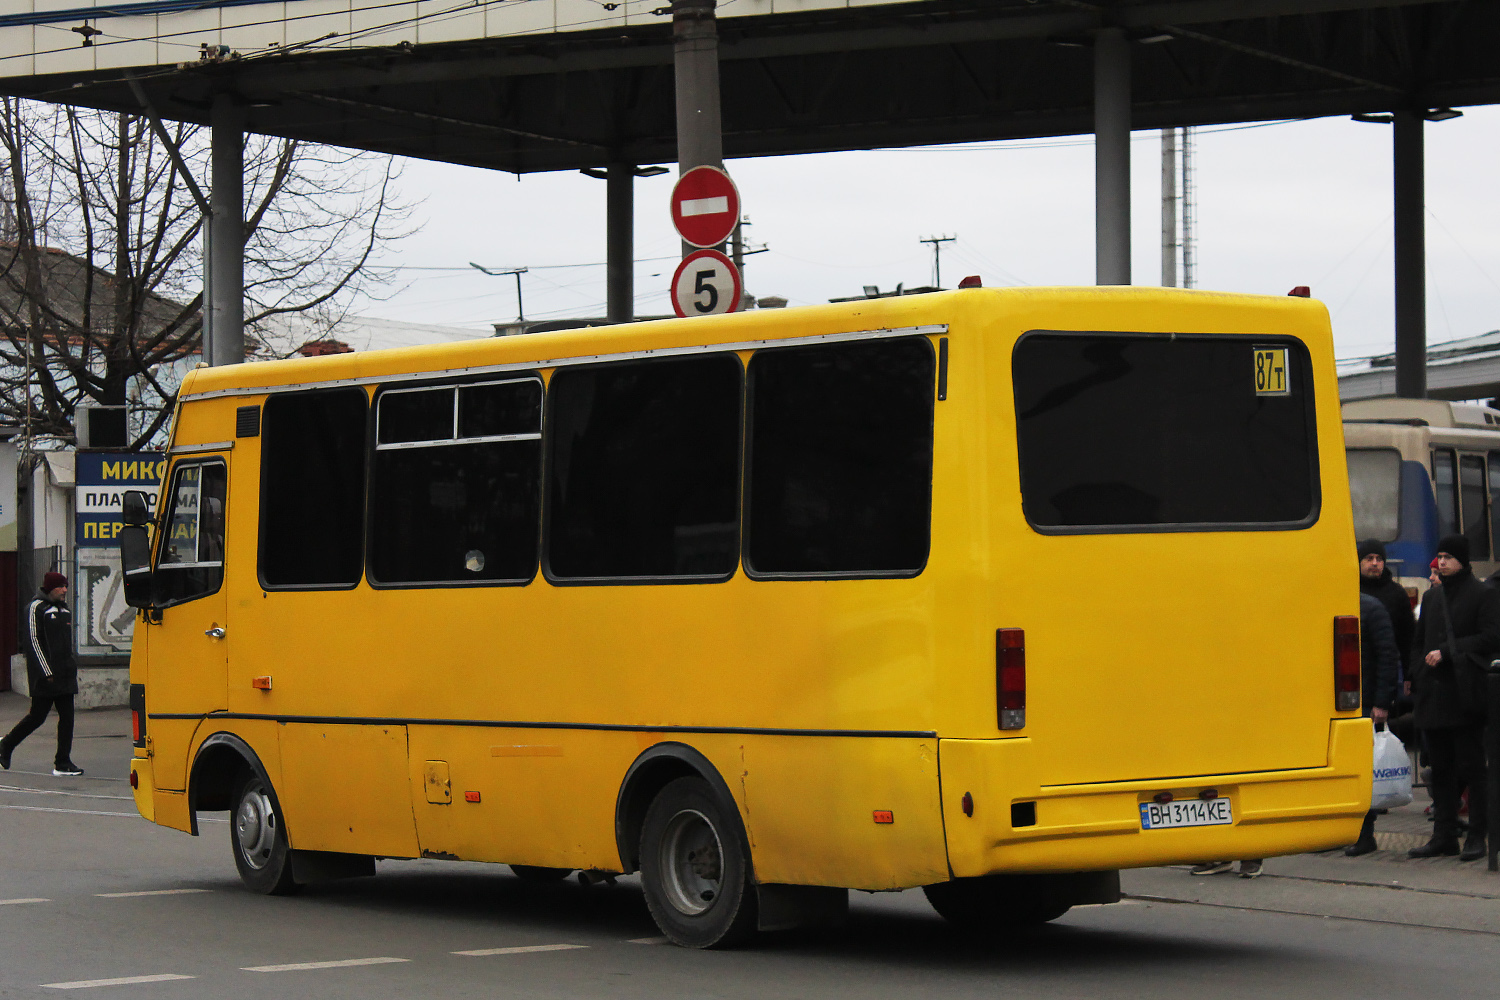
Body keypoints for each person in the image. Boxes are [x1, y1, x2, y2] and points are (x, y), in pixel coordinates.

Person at [1407, 535, 1495, 861]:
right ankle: (1443, 834)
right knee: (1440, 769)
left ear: (1462, 560)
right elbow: (1417, 642)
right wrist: (1418, 670)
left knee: (1473, 768)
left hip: (1466, 694)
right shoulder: (1432, 599)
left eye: (1447, 557)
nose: (1441, 562)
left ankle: (1477, 835)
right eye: (1439, 556)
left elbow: (1492, 636)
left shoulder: (1483, 594)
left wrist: (1446, 653)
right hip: (1433, 696)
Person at [0, 572, 83, 776]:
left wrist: (70, 667)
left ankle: (62, 762)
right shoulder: (36, 608)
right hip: (46, 676)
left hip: (64, 675)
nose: (65, 590)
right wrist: (47, 672)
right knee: (37, 717)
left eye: (66, 586)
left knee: (67, 718)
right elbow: (34, 642)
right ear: (50, 587)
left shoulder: (64, 610)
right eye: (61, 587)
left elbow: (66, 644)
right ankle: (6, 745)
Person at [1345, 591, 1400, 855]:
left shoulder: (1371, 608)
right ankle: (1345, 832)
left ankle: (1364, 834)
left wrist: (1381, 702)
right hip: (1343, 701)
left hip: (1363, 700)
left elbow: (1387, 656)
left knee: (1362, 768)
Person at [1358, 539, 1415, 666]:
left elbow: (1407, 638)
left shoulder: (1397, 593)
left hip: (1390, 664)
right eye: (1369, 558)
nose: (1374, 563)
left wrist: (1408, 675)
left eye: (1379, 559)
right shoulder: (1350, 590)